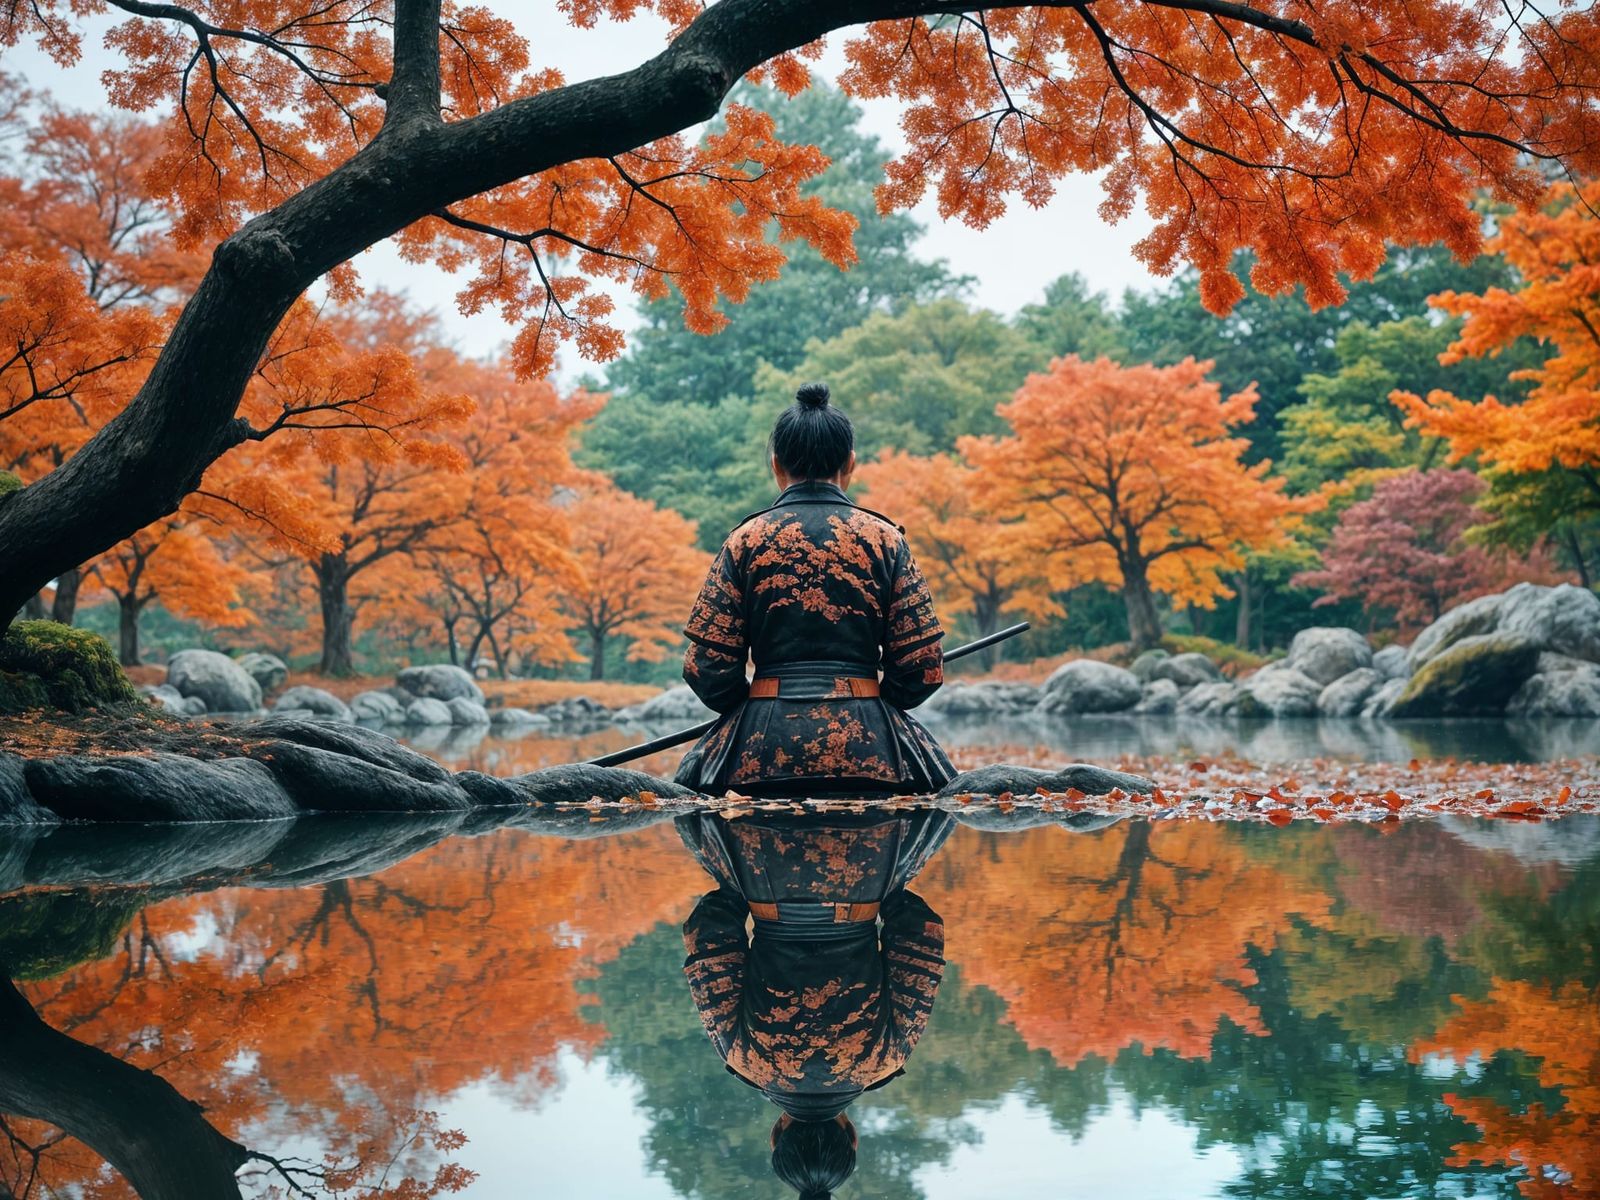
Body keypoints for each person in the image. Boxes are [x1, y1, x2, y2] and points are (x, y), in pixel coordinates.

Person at [676, 381, 956, 797]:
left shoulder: (745, 540)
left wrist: (754, 706)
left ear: (776, 465)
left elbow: (707, 668)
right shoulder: (885, 540)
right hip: (873, 749)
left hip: (760, 752)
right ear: (851, 464)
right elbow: (923, 666)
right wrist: (876, 696)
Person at [677, 805, 955, 1198]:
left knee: (937, 813)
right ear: (777, 1135)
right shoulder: (743, 1059)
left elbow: (920, 936)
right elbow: (709, 932)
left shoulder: (887, 1058)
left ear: (852, 1136)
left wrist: (885, 890)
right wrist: (743, 891)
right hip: (762, 869)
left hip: (865, 868)